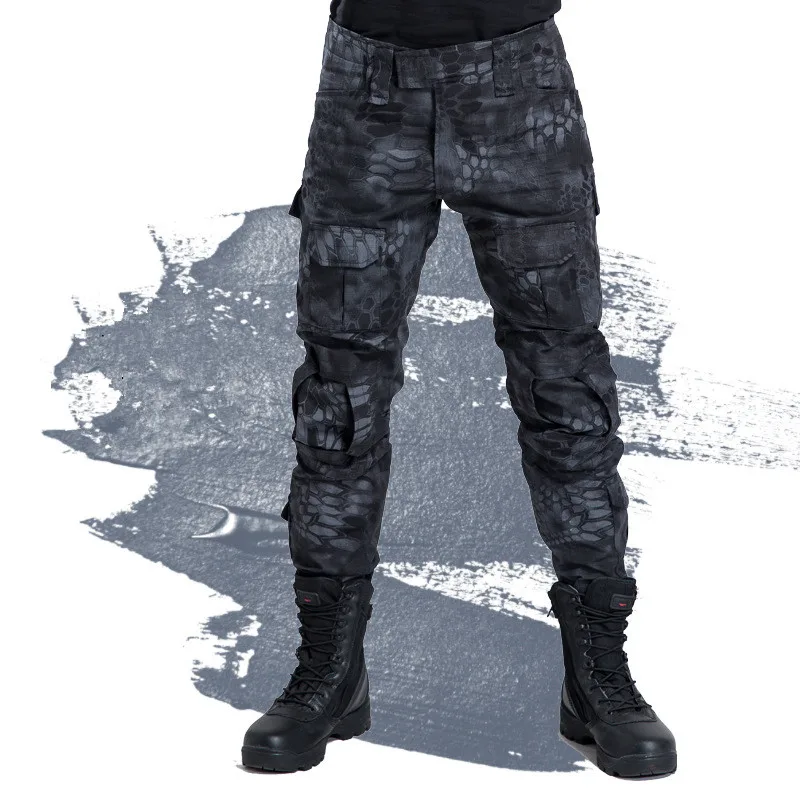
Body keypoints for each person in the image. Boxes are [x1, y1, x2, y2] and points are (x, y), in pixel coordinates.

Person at [241, 0, 677, 779]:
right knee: (339, 396)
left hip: (518, 82)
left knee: (567, 389)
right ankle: (328, 670)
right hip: (367, 83)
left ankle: (599, 676)